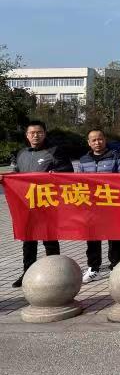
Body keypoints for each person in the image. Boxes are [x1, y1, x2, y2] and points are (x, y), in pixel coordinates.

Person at [1, 121, 72, 288]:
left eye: (39, 132)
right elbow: (17, 174)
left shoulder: (55, 152)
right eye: (32, 133)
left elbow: (68, 172)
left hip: (47, 203)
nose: (35, 135)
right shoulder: (22, 153)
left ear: (44, 134)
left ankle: (55, 273)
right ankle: (27, 273)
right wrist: (6, 179)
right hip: (26, 204)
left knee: (50, 240)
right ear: (27, 135)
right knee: (28, 240)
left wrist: (56, 174)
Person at [78, 128, 120, 283]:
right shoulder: (83, 160)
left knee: (114, 237)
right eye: (93, 140)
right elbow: (78, 182)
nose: (97, 142)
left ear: (105, 140)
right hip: (92, 206)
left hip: (112, 203)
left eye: (100, 139)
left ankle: (116, 266)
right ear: (89, 143)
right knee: (92, 236)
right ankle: (93, 268)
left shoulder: (116, 156)